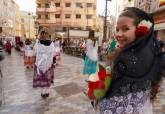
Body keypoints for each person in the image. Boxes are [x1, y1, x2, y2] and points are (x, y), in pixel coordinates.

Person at [99, 7, 165, 114]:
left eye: (125, 29)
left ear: (140, 30)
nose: (119, 34)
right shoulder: (119, 52)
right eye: (117, 29)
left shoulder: (152, 57)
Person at [33, 31, 55, 98]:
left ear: (41, 35)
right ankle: (47, 92)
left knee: (42, 78)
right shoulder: (51, 43)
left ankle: (43, 92)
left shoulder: (38, 43)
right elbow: (53, 54)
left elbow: (34, 52)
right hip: (48, 64)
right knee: (47, 78)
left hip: (40, 64)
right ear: (48, 35)